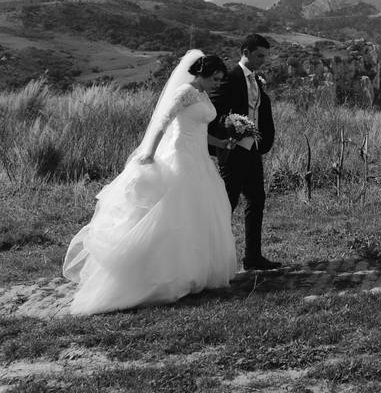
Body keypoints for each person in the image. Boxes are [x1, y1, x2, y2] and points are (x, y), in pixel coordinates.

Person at [63, 51, 239, 315]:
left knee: (198, 214)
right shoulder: (185, 92)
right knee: (174, 214)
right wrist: (149, 153)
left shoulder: (202, 95)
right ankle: (164, 274)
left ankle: (194, 271)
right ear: (201, 74)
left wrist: (221, 143)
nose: (217, 84)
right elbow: (162, 123)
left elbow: (199, 131)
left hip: (200, 159)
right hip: (180, 159)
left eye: (219, 80)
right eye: (214, 78)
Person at [210, 34, 281, 270]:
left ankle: (253, 257)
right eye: (259, 55)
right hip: (232, 151)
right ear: (246, 52)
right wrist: (230, 126)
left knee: (257, 200)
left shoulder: (256, 80)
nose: (263, 60)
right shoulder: (230, 79)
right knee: (227, 204)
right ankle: (215, 260)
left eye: (265, 56)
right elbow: (213, 113)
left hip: (253, 151)